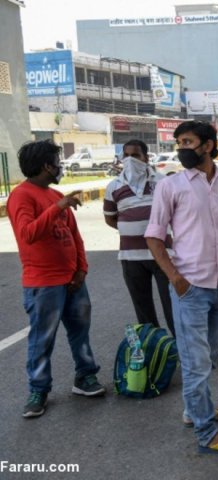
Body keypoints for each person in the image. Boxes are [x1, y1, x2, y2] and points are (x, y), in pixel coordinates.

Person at [145, 120, 218, 454]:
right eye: (178, 142)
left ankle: (195, 409)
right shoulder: (171, 186)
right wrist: (176, 279)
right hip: (190, 288)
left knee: (210, 356)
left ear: (207, 145)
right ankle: (206, 433)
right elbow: (154, 235)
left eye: (187, 141)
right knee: (195, 363)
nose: (181, 148)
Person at [8, 140, 106, 418]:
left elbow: (75, 236)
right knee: (42, 339)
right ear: (44, 165)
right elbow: (28, 234)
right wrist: (58, 207)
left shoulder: (54, 194)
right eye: (56, 161)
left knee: (80, 332)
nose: (59, 166)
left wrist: (81, 269)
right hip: (43, 283)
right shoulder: (22, 196)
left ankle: (85, 377)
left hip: (73, 280)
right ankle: (38, 389)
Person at [104, 140, 175, 335]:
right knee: (143, 308)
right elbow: (110, 219)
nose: (129, 160)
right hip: (131, 257)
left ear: (146, 158)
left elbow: (176, 215)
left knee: (173, 305)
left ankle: (182, 348)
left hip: (163, 255)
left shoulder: (162, 182)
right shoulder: (114, 186)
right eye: (125, 155)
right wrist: (132, 229)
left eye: (135, 156)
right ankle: (156, 348)